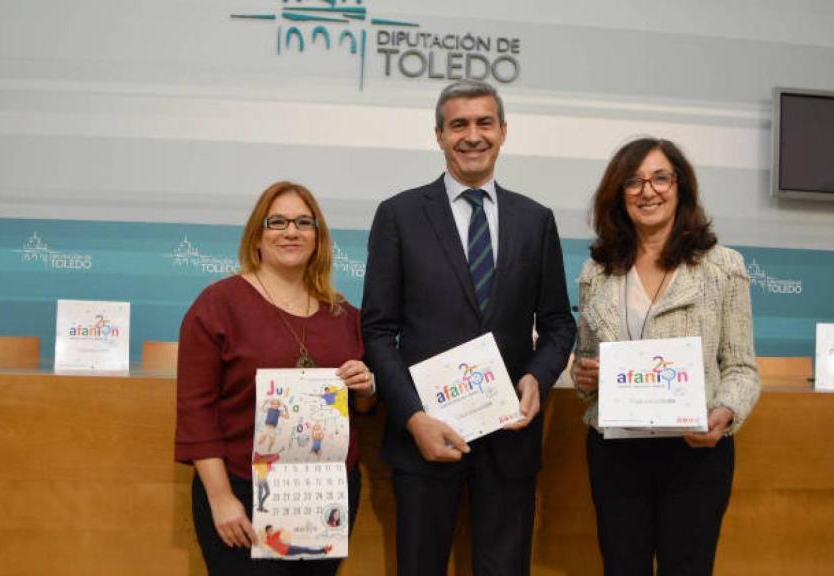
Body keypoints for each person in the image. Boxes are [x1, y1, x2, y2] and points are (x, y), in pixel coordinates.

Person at [361, 79, 576, 576]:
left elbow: (559, 323)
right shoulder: (399, 215)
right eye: (458, 124)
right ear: (438, 134)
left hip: (509, 439)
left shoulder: (535, 219)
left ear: (503, 132)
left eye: (484, 123)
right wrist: (414, 418)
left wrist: (536, 377)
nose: (472, 135)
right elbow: (377, 330)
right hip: (425, 439)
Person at [571, 138, 761, 575]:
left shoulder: (722, 267)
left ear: (681, 187)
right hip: (616, 452)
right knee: (622, 566)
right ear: (618, 195)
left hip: (694, 451)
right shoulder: (597, 272)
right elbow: (583, 362)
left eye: (660, 178)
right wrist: (585, 376)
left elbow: (742, 367)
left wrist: (726, 412)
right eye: (633, 182)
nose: (647, 191)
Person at [175, 181, 377, 575]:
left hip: (324, 496)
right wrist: (220, 498)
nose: (291, 231)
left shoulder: (344, 315)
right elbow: (195, 409)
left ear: (317, 239)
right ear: (257, 236)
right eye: (278, 221)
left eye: (304, 222)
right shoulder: (218, 304)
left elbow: (364, 405)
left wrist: (367, 386)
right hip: (243, 493)